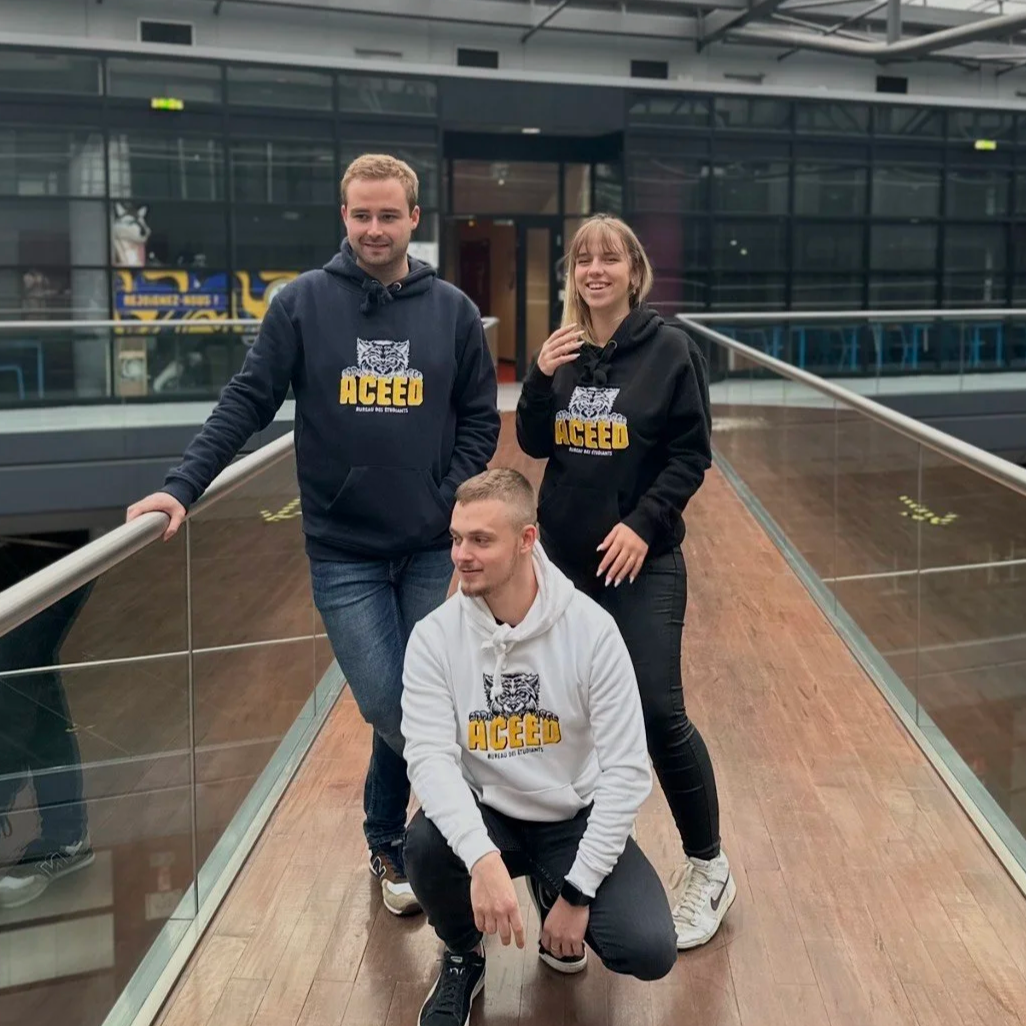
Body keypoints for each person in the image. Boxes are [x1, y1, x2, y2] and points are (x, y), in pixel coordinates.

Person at [127, 154, 501, 916]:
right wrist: (181, 485)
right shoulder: (301, 305)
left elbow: (480, 420)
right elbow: (247, 401)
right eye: (361, 215)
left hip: (430, 545)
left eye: (388, 215)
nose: (374, 228)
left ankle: (389, 841)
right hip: (344, 553)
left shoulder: (454, 311)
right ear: (344, 217)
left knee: (414, 695)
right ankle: (482, 815)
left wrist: (446, 500)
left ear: (413, 219)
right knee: (391, 701)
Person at [514, 214, 734, 951]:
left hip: (641, 561)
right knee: (565, 713)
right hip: (565, 566)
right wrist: (539, 375)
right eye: (583, 260)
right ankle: (566, 866)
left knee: (655, 710)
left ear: (634, 272)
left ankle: (709, 866)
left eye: (609, 258)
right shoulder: (564, 351)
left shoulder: (670, 351)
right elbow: (536, 442)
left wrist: (642, 523)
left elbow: (690, 455)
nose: (595, 270)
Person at [401, 469, 677, 1025]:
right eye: (456, 538)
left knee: (648, 947)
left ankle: (553, 889)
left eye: (481, 540)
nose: (461, 555)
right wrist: (480, 858)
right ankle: (463, 953)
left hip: (571, 818)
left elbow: (627, 773)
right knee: (425, 847)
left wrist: (577, 894)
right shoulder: (434, 637)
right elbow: (429, 759)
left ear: (527, 539)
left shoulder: (592, 631)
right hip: (490, 814)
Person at [0, 536, 95, 910]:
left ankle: (65, 832)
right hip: (16, 539)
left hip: (61, 540)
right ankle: (67, 834)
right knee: (32, 673)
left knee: (12, 676)